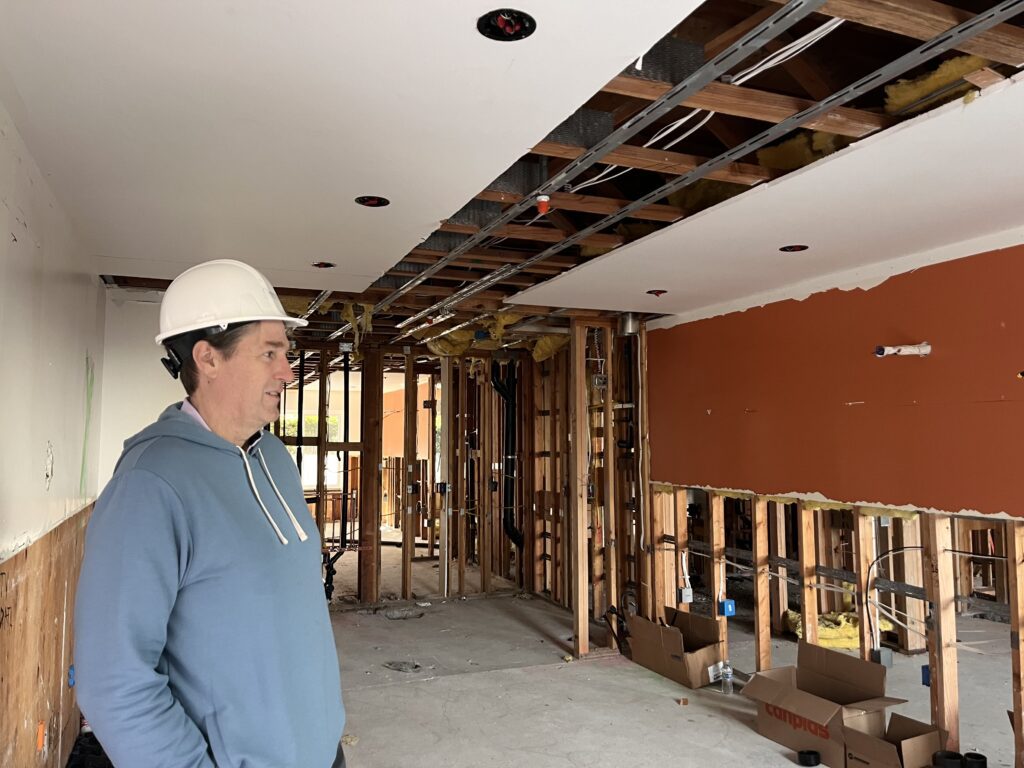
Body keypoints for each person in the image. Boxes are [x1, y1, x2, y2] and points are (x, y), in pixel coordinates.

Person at [74, 259, 346, 767]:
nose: (287, 372)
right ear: (208, 358)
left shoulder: (274, 458)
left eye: (285, 353)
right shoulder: (149, 485)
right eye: (269, 353)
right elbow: (114, 680)